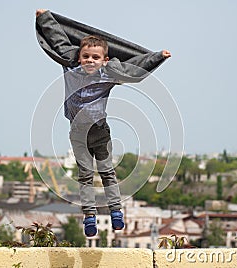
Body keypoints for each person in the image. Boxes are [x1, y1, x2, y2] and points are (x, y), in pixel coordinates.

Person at [35, 9, 171, 237]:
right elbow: (58, 40)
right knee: (86, 175)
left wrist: (158, 56)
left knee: (107, 172)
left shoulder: (109, 73)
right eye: (86, 56)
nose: (90, 60)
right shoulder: (70, 65)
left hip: (100, 132)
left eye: (95, 57)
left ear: (104, 60)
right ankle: (89, 216)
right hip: (77, 133)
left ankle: (116, 212)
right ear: (79, 56)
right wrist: (44, 17)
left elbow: (134, 65)